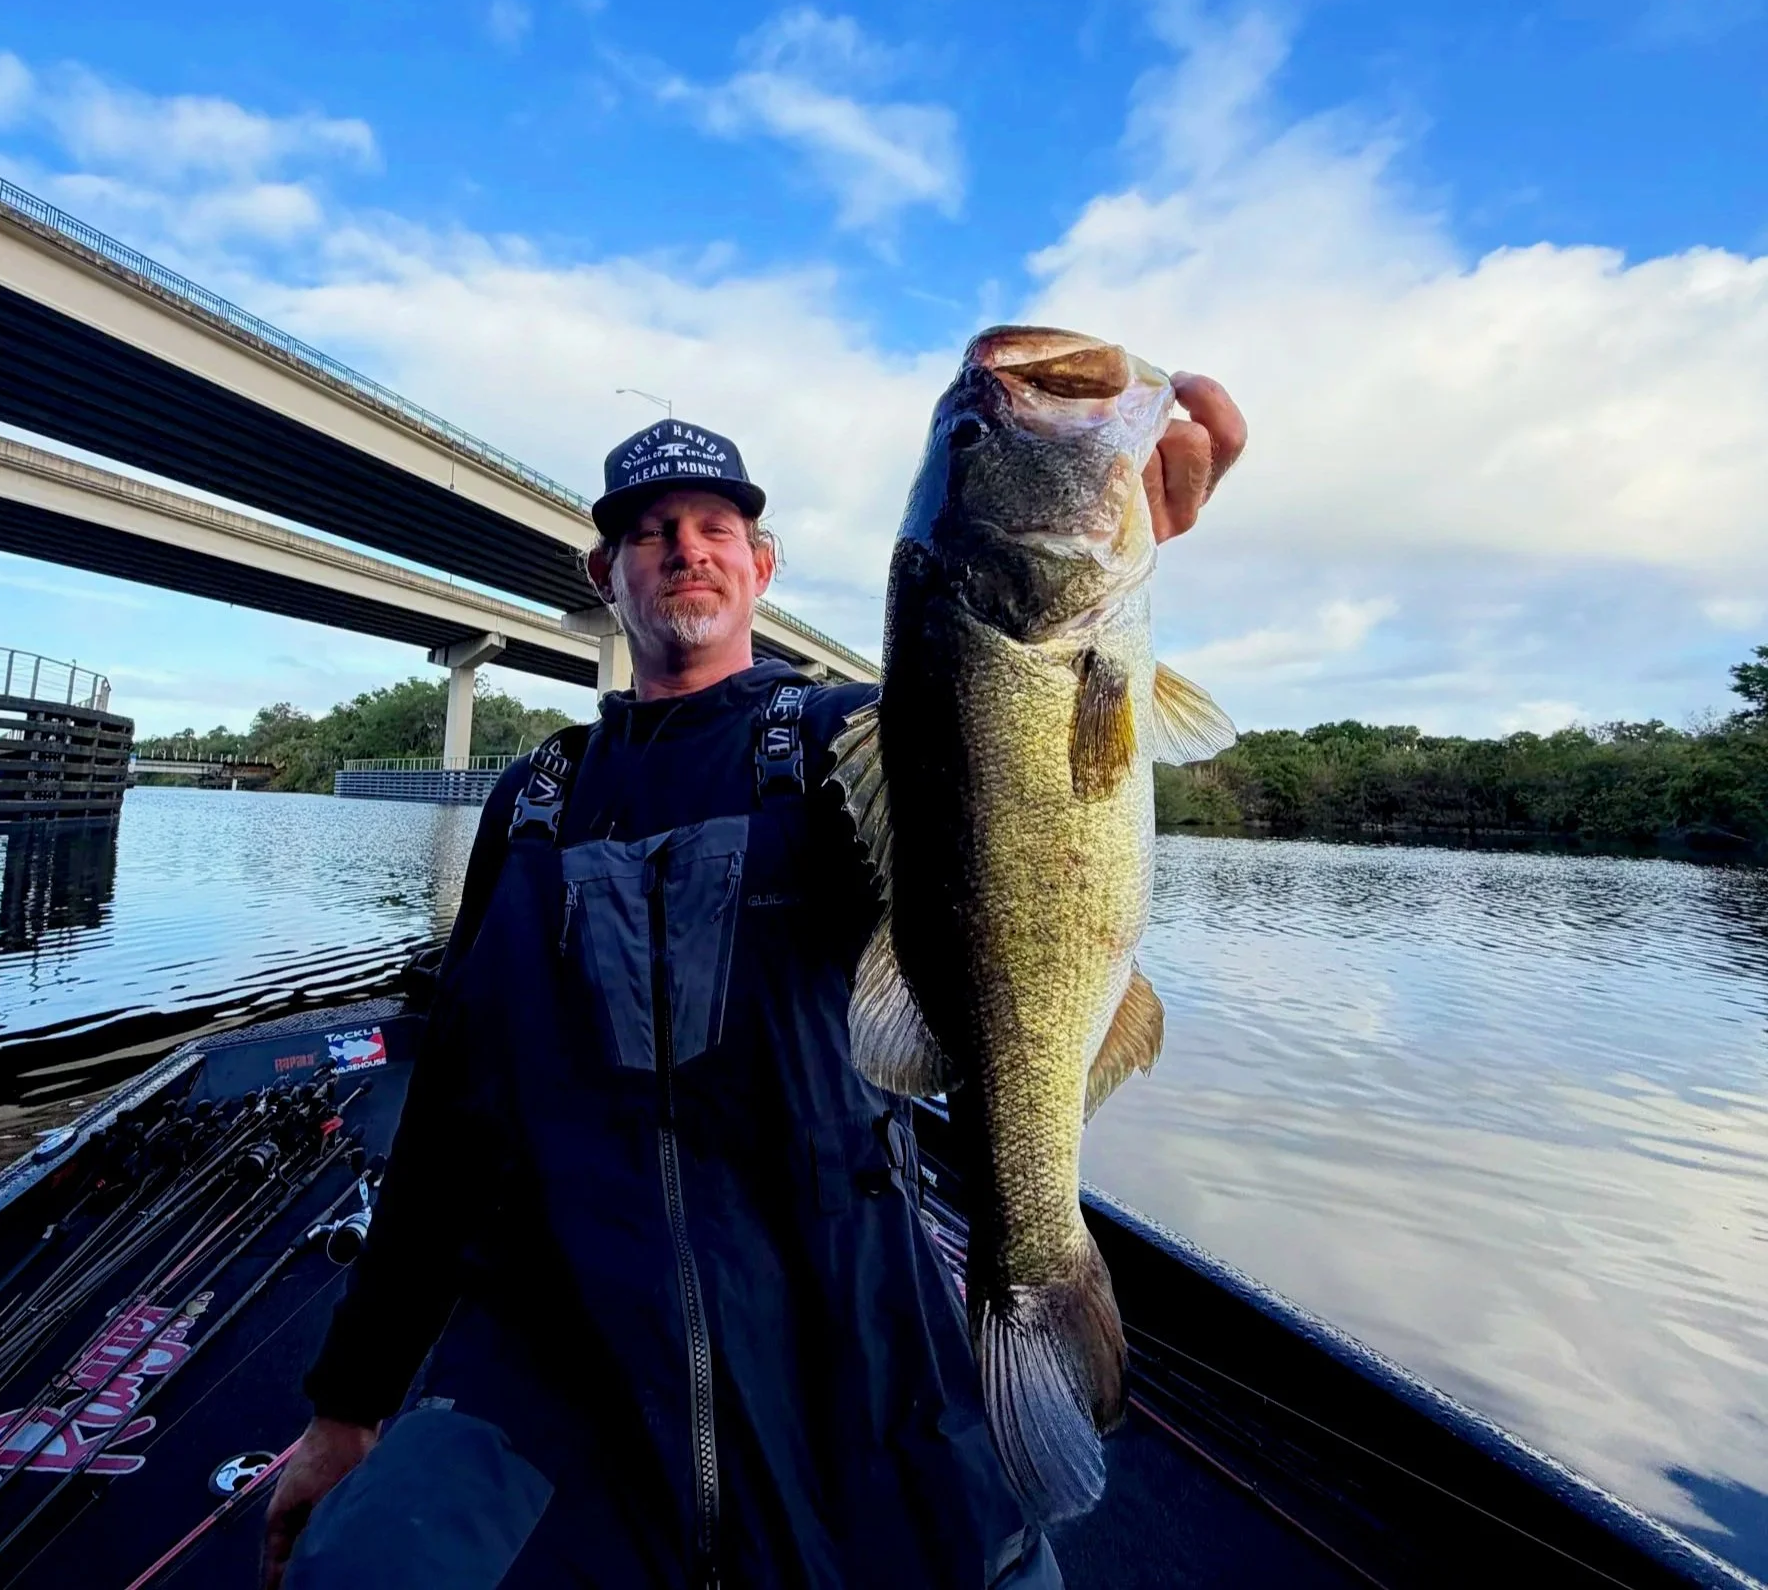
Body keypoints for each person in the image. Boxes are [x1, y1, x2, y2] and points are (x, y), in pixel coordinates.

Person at [263, 378, 1247, 1590]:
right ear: (604, 574)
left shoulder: (844, 742)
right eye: (649, 532)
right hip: (557, 1350)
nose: (684, 549)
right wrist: (348, 1401)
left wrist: (1087, 548)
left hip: (845, 1332)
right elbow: (448, 1121)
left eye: (714, 527)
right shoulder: (529, 804)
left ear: (760, 564)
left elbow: (994, 726)